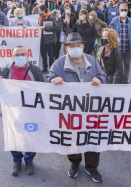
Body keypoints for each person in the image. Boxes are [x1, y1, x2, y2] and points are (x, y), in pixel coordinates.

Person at [46, 32, 106, 183]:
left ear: (83, 46)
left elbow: (103, 75)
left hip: (91, 109)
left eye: (78, 46)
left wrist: (99, 79)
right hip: (70, 111)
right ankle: (74, 162)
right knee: (72, 139)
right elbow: (48, 78)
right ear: (66, 48)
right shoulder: (59, 63)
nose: (76, 49)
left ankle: (92, 167)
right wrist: (53, 79)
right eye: (72, 46)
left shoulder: (92, 61)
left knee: (92, 138)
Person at [0, 45, 43, 176]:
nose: (20, 57)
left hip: (31, 109)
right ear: (13, 57)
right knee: (14, 136)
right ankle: (17, 161)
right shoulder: (4, 71)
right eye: (17, 55)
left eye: (23, 54)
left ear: (27, 55)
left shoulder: (35, 70)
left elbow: (44, 89)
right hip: (12, 111)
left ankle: (29, 160)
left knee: (31, 135)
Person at [109, 3, 131, 83]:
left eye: (125, 10)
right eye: (122, 10)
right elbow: (110, 32)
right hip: (118, 49)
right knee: (118, 66)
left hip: (128, 48)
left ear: (128, 11)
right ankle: (117, 81)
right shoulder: (114, 20)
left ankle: (124, 81)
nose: (124, 11)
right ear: (119, 10)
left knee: (127, 66)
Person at [39, 5, 58, 73]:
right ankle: (44, 68)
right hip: (42, 39)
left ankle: (51, 68)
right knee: (43, 55)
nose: (39, 12)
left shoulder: (51, 17)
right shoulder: (40, 17)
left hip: (49, 39)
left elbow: (56, 27)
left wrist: (45, 28)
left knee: (50, 55)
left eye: (40, 10)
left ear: (43, 11)